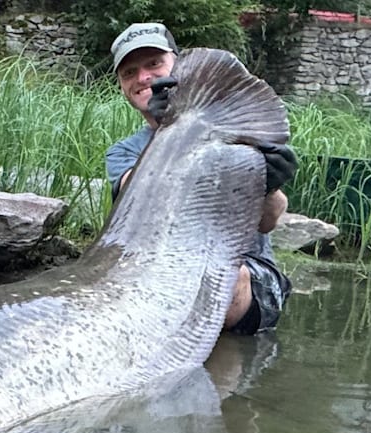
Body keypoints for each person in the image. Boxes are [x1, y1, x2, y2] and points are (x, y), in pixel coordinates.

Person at [105, 22, 296, 335]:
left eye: (154, 64)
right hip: (158, 272)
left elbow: (268, 220)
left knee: (223, 279)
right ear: (122, 85)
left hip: (243, 274)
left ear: (176, 65)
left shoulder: (231, 128)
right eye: (129, 72)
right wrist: (167, 133)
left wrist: (269, 184)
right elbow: (135, 200)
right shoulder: (122, 152)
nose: (143, 78)